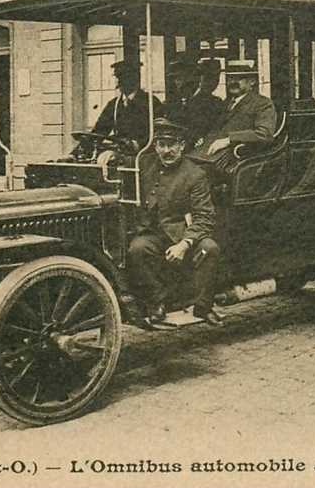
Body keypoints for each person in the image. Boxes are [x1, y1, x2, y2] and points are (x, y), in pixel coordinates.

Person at [127, 118, 224, 329]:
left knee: (209, 248)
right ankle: (157, 302)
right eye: (162, 144)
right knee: (137, 249)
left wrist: (185, 243)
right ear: (155, 146)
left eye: (172, 145)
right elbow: (126, 162)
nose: (167, 150)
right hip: (153, 232)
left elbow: (205, 217)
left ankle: (203, 307)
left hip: (183, 232)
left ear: (182, 146)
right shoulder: (144, 163)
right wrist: (110, 156)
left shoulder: (195, 174)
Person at [200, 57, 276, 159]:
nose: (233, 82)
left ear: (252, 81)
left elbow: (264, 134)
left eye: (239, 78)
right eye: (230, 78)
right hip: (210, 151)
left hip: (232, 155)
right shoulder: (226, 103)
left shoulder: (262, 103)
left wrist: (229, 140)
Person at [88, 58, 163, 152]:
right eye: (118, 78)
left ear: (135, 79)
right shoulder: (113, 105)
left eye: (124, 78)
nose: (119, 82)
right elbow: (99, 131)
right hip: (119, 154)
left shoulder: (151, 102)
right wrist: (76, 153)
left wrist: (137, 144)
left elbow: (159, 133)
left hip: (144, 155)